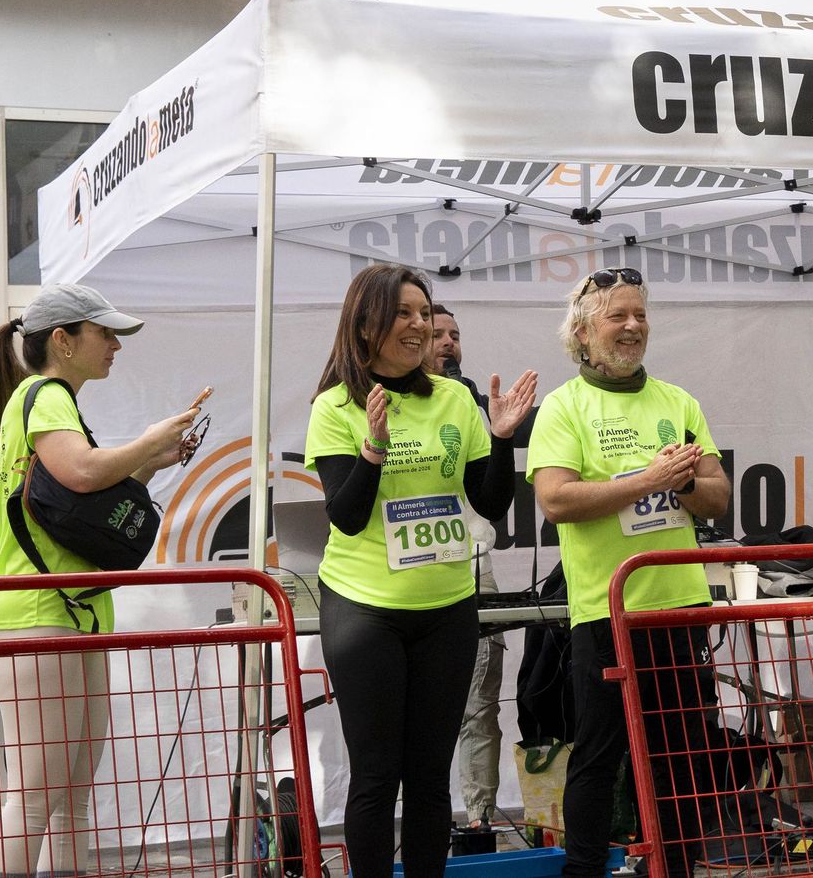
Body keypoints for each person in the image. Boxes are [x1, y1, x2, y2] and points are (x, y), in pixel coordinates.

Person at [305, 265, 535, 878]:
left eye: (423, 313)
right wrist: (374, 448)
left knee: (432, 779)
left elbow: (488, 504)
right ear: (365, 324)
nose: (419, 325)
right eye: (403, 313)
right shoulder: (334, 407)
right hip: (365, 608)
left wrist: (503, 438)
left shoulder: (456, 398)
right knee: (378, 777)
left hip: (447, 607)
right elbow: (348, 517)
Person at [0, 284, 198, 876]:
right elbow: (79, 474)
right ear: (63, 341)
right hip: (38, 621)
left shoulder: (44, 399)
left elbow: (78, 486)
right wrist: (148, 443)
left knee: (67, 797)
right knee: (35, 797)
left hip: (66, 616)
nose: (115, 346)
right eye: (104, 333)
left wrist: (149, 459)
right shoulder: (46, 394)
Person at [526, 267, 730, 878]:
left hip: (680, 604)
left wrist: (687, 480)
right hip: (606, 612)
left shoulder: (678, 400)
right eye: (618, 316)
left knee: (684, 755)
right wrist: (648, 480)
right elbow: (556, 500)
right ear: (583, 333)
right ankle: (584, 871)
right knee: (600, 755)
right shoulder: (564, 407)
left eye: (639, 315)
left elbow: (718, 496)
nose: (633, 326)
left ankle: (677, 867)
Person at [428, 302, 509, 835]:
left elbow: (492, 498)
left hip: (472, 565)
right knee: (418, 715)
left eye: (455, 335)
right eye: (437, 335)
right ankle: (424, 821)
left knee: (478, 707)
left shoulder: (472, 405)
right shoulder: (377, 405)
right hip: (402, 578)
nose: (448, 343)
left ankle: (478, 821)